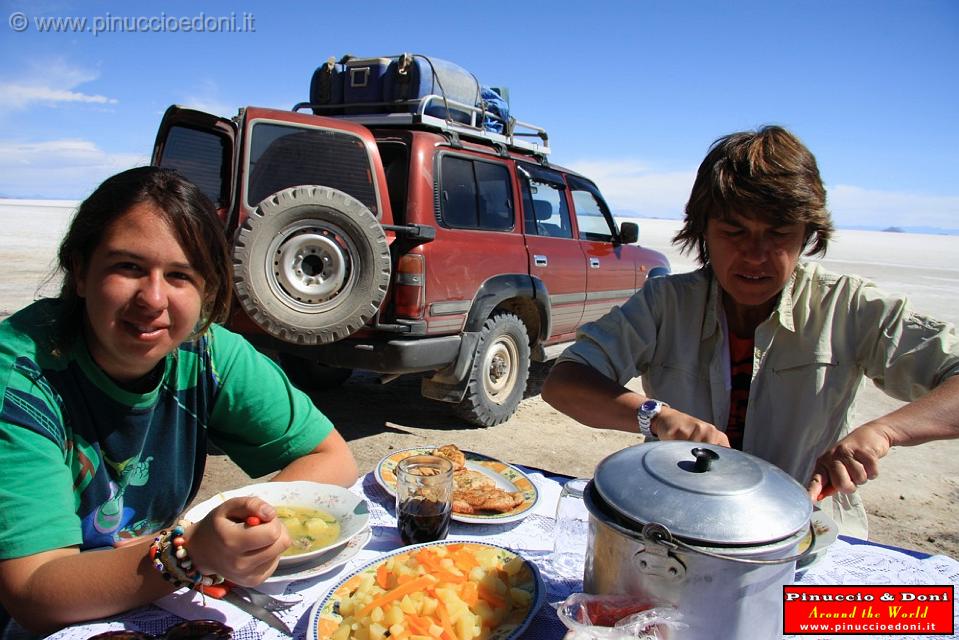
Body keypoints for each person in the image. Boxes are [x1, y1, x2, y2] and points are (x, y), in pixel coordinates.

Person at [542, 126, 959, 538]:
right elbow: (565, 381)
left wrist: (883, 432)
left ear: (807, 236)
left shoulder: (847, 306)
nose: (755, 255)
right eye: (734, 231)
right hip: (682, 531)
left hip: (808, 534)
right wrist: (656, 416)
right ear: (703, 230)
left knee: (906, 610)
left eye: (778, 233)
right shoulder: (665, 304)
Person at [0, 167, 359, 633]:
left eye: (179, 275)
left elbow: (329, 455)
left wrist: (241, 526)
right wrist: (188, 554)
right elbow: (32, 592)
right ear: (80, 272)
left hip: (145, 591)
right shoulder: (23, 379)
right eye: (128, 267)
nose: (153, 298)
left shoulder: (204, 352)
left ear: (206, 290)